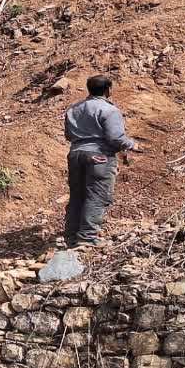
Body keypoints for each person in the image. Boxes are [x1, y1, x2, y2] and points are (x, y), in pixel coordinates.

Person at [62, 75, 136, 249]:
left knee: (77, 196)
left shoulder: (73, 109)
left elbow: (68, 135)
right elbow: (115, 137)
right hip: (99, 157)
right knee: (97, 195)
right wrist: (132, 145)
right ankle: (87, 238)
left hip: (75, 154)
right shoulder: (109, 110)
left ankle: (72, 236)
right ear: (108, 90)